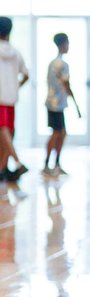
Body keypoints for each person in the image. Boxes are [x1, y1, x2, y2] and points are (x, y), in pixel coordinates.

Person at [43, 33, 79, 178]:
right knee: (57, 133)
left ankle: (56, 163)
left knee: (61, 133)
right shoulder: (62, 64)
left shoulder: (54, 63)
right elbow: (66, 84)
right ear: (63, 44)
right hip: (55, 104)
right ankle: (47, 164)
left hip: (56, 103)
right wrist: (77, 105)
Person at [0, 17, 30, 184]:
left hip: (0, 99)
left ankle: (17, 162)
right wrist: (16, 85)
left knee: (3, 131)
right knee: (7, 133)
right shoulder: (15, 52)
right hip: (11, 98)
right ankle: (2, 169)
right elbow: (26, 74)